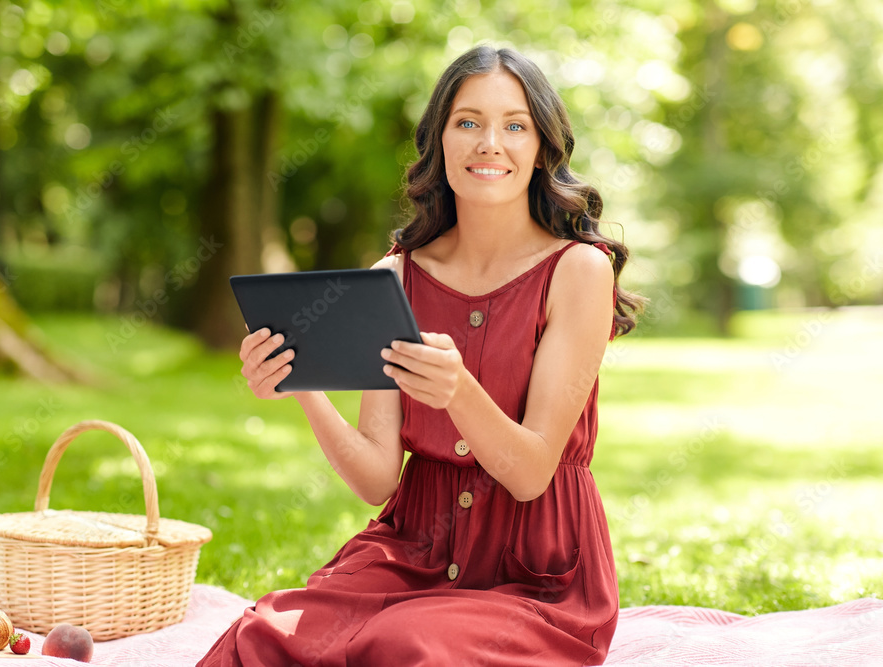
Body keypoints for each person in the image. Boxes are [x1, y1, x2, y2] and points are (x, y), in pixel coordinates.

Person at [197, 43, 644, 667]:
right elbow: (378, 478)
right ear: (440, 141)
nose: (490, 142)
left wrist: (458, 390)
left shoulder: (577, 271)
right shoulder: (398, 277)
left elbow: (531, 471)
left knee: (405, 644)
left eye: (515, 125)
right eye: (468, 122)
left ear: (542, 147)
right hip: (412, 553)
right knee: (265, 632)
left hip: (537, 574)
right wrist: (304, 381)